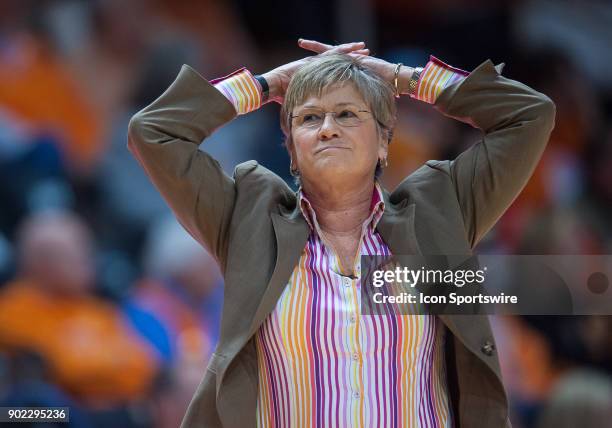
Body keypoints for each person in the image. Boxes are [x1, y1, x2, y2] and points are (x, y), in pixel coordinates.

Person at [128, 39, 555, 427]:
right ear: (292, 149)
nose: (328, 128)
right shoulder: (248, 219)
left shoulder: (440, 211)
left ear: (385, 140)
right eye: (310, 117)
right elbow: (154, 132)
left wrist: (405, 79)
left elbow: (530, 115)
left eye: (348, 114)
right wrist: (264, 84)